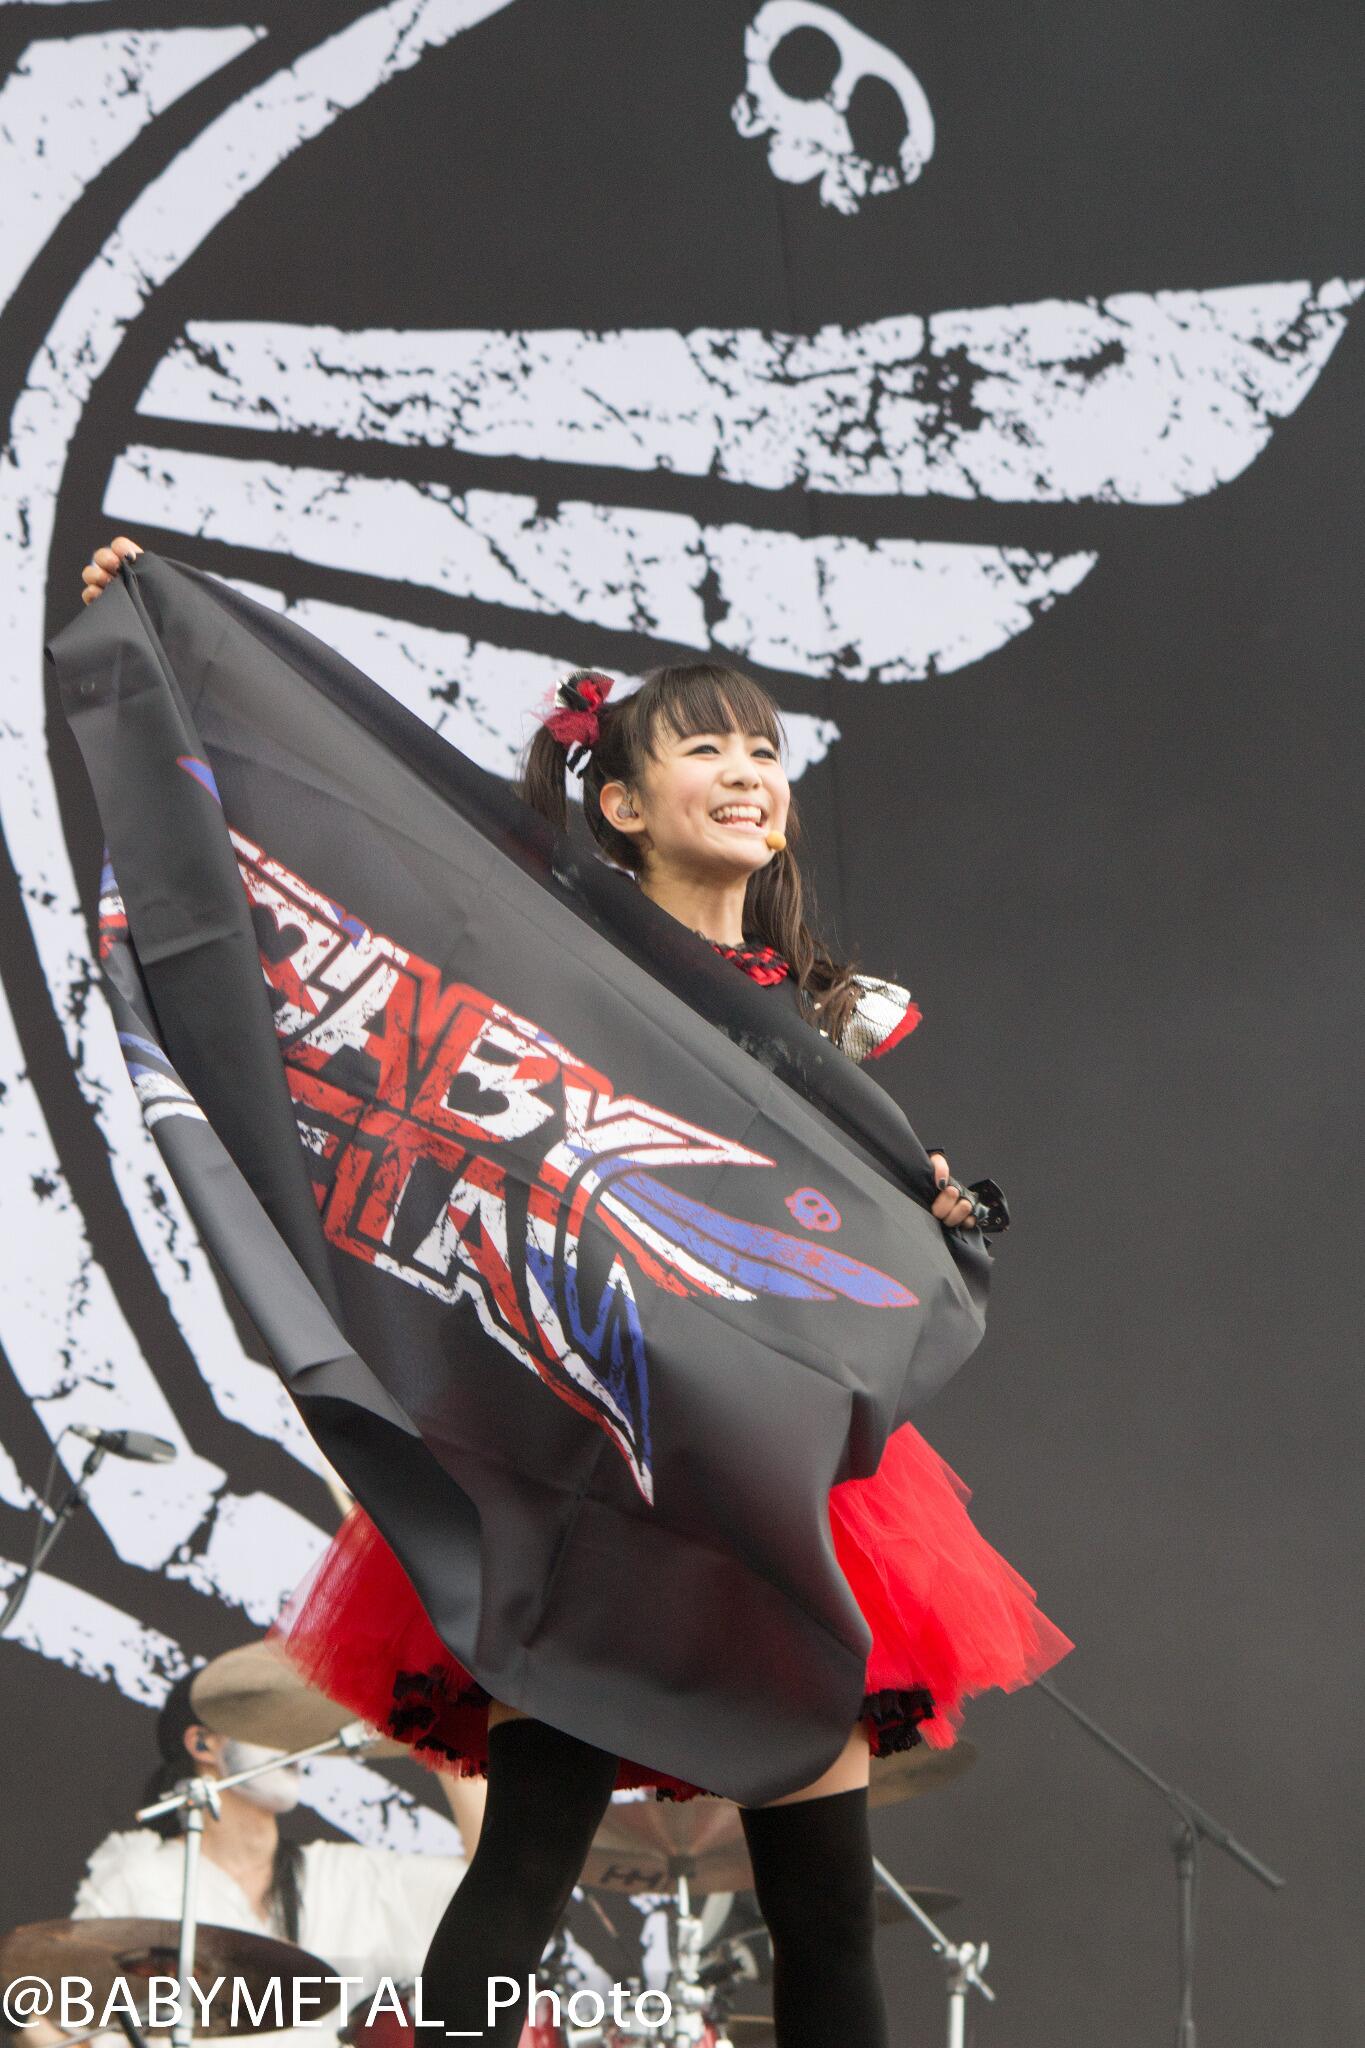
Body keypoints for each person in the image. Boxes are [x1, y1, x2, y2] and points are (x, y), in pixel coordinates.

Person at [80, 537, 1072, 2047]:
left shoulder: (824, 1019)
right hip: (589, 1448)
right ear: (619, 803)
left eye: (765, 749)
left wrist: (951, 1206)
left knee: (818, 1899)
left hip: (773, 1472)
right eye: (705, 751)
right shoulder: (551, 967)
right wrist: (159, 630)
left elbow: (928, 1202)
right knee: (527, 1856)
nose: (749, 774)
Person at [19, 1670, 471, 2048]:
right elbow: (55, 2025)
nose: (288, 1741)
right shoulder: (139, 1877)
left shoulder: (342, 1877)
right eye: (266, 1724)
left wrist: (444, 1737)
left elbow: (494, 1884)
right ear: (203, 1745)